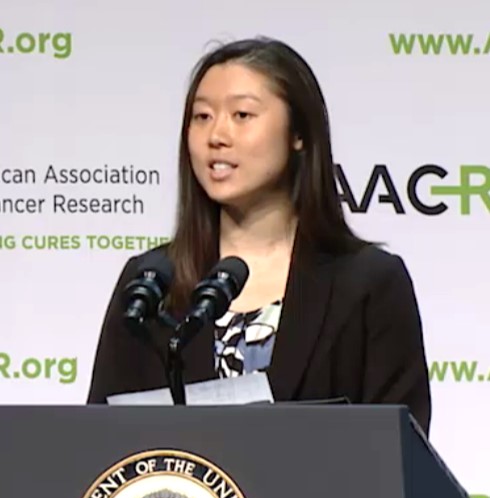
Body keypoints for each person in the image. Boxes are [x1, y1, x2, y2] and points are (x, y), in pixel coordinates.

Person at [87, 37, 431, 434]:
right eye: (202, 117)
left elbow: (401, 454)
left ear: (298, 134)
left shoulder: (368, 283)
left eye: (242, 115)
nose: (216, 135)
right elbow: (99, 443)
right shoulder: (150, 283)